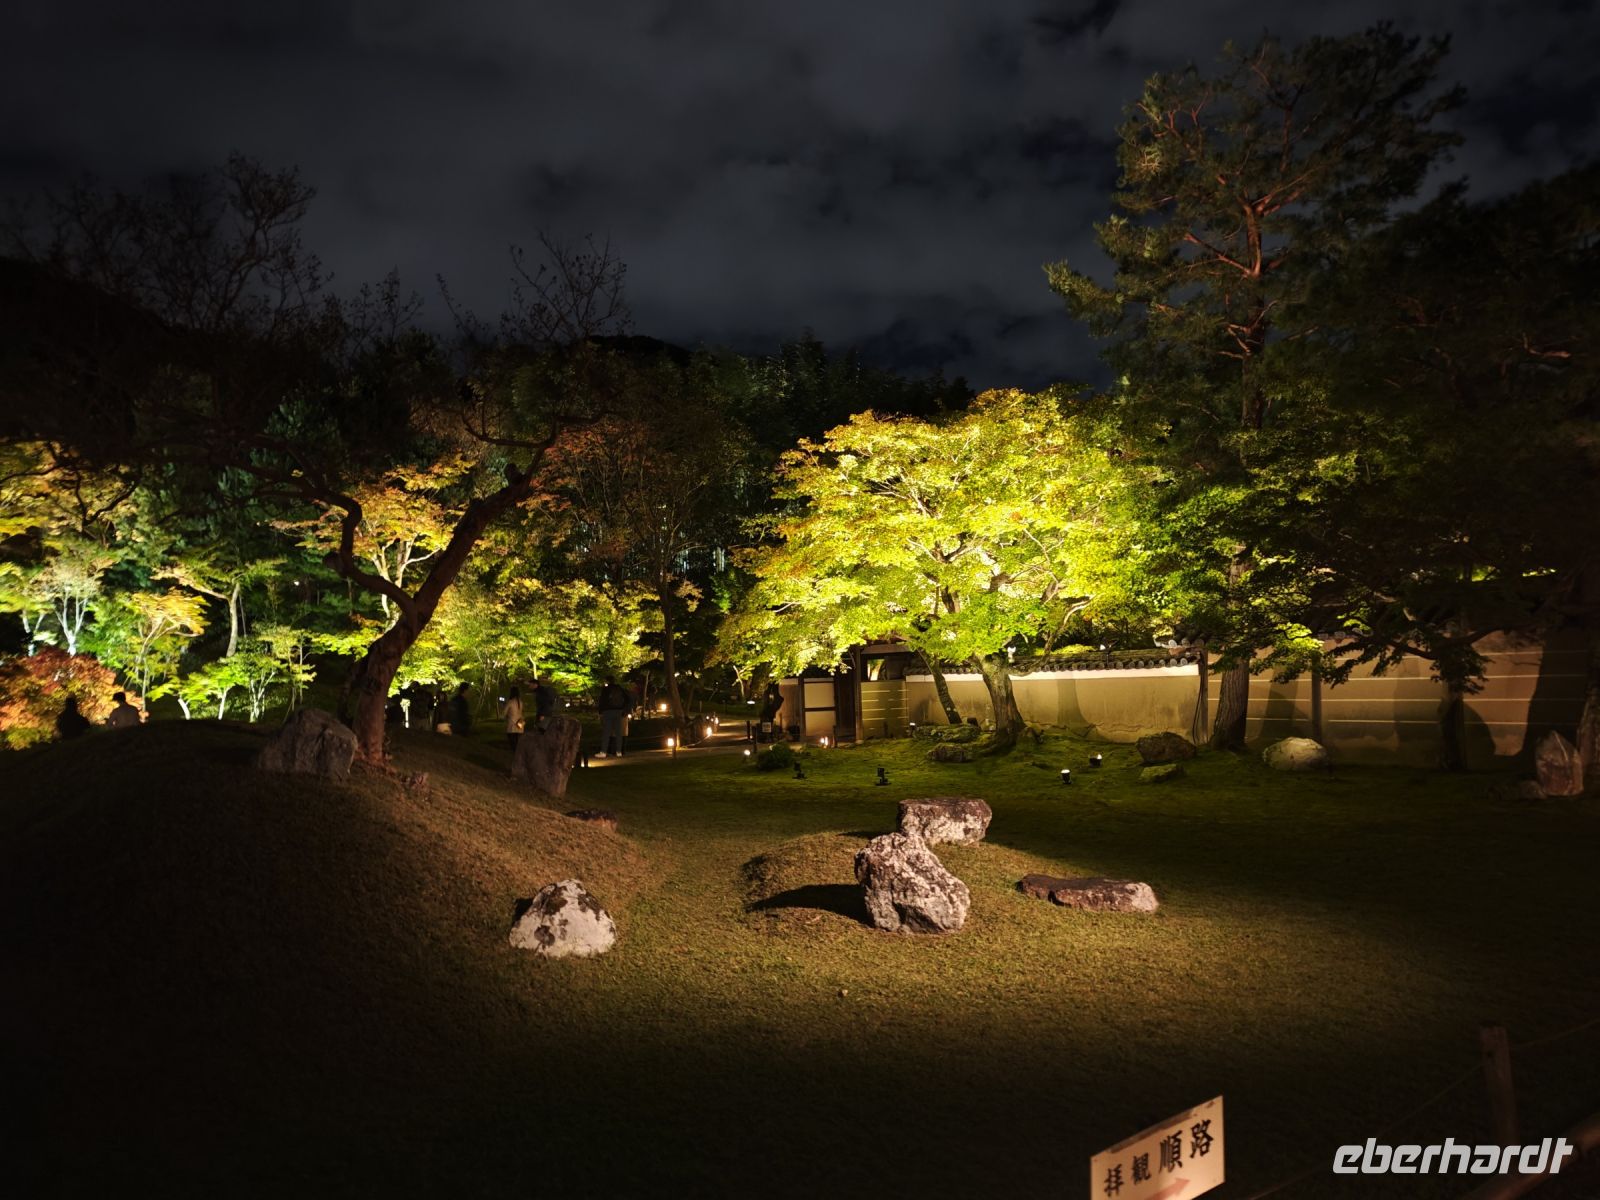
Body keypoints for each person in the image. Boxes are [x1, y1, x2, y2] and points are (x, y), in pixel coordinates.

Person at [597, 675, 629, 757]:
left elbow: (602, 701)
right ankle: (619, 752)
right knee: (618, 732)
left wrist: (600, 711)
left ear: (607, 681)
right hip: (618, 711)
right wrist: (623, 708)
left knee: (607, 732)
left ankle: (603, 752)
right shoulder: (619, 688)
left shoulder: (606, 689)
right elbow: (627, 698)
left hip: (608, 711)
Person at [500, 686, 524, 753]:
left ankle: (515, 754)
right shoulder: (520, 702)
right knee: (517, 740)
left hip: (512, 725)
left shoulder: (510, 702)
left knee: (512, 742)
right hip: (520, 724)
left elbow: (504, 712)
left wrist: (502, 717)